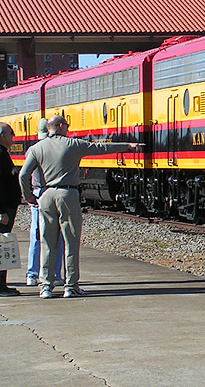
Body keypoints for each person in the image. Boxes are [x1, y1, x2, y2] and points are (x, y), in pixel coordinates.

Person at [18, 115, 141, 299]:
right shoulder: (72, 144)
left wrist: (29, 197)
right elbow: (101, 148)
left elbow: (23, 175)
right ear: (60, 126)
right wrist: (128, 146)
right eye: (66, 125)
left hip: (45, 195)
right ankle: (70, 286)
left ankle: (45, 287)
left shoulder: (36, 148)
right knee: (71, 241)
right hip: (68, 194)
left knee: (47, 242)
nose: (68, 128)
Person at [24, 119, 64, 287]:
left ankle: (32, 274)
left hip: (37, 191)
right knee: (57, 235)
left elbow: (24, 175)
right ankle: (54, 273)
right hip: (51, 191)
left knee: (37, 235)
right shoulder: (53, 149)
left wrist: (28, 195)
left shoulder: (32, 150)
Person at [0, 122, 22, 296]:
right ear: (2, 135)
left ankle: (2, 285)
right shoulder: (0, 155)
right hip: (4, 209)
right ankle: (0, 286)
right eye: (11, 134)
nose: (13, 137)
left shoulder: (3, 154)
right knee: (2, 246)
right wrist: (1, 212)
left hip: (6, 207)